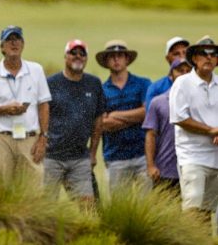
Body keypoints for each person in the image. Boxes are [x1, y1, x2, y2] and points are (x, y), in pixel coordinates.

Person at [0, 26, 51, 186]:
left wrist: (43, 137)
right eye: (9, 39)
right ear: (2, 46)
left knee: (33, 189)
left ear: (23, 44)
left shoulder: (36, 70)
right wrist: (4, 110)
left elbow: (44, 104)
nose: (13, 43)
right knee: (0, 188)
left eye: (17, 39)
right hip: (1, 139)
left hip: (30, 138)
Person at [44, 39, 105, 204]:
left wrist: (93, 153)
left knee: (87, 207)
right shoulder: (51, 83)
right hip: (51, 156)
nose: (78, 57)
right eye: (73, 53)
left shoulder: (94, 84)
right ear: (65, 56)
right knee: (45, 206)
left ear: (86, 59)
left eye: (82, 54)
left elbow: (98, 120)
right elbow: (41, 116)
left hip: (80, 158)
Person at [170, 36, 218, 222]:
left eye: (213, 54)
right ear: (194, 59)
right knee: (192, 208)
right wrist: (210, 130)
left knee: (207, 212)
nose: (209, 57)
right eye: (203, 53)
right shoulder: (182, 83)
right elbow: (179, 118)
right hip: (192, 156)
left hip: (215, 157)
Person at [95, 39, 151, 193]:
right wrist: (135, 117)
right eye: (112, 56)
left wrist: (115, 115)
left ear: (127, 59)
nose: (116, 59)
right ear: (106, 61)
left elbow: (147, 113)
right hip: (115, 157)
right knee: (120, 207)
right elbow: (103, 124)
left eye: (120, 55)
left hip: (142, 155)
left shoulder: (143, 84)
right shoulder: (101, 90)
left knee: (146, 206)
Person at [143, 57, 191, 192]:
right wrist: (151, 165)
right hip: (166, 170)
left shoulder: (201, 101)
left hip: (193, 167)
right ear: (171, 75)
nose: (184, 74)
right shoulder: (158, 102)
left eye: (188, 71)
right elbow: (151, 135)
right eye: (180, 71)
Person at [145, 36, 189, 111]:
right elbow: (151, 117)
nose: (182, 56)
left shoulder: (201, 83)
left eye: (185, 52)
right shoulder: (156, 88)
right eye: (176, 54)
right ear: (167, 58)